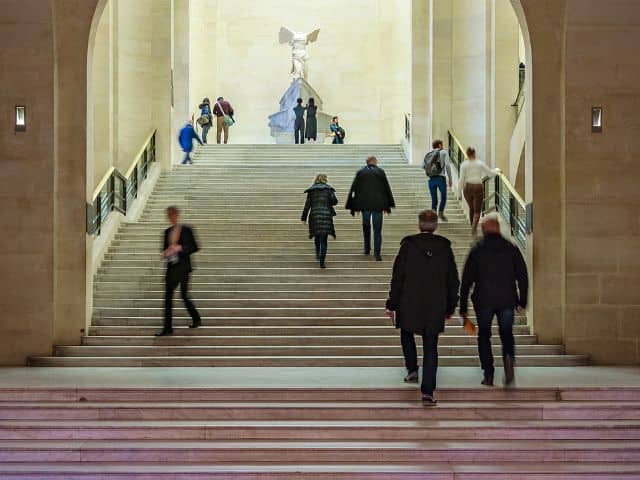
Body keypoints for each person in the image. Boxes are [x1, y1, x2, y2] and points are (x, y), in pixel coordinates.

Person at [385, 210, 459, 406]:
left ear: (419, 225)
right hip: (435, 305)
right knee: (431, 346)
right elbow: (453, 280)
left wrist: (391, 304)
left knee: (406, 333)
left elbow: (398, 277)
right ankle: (427, 392)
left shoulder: (408, 246)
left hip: (409, 302)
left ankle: (412, 370)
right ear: (435, 225)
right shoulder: (444, 247)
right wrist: (451, 306)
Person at [459, 215, 529, 387]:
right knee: (507, 334)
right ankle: (508, 360)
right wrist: (522, 301)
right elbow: (522, 276)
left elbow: (467, 280)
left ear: (483, 230)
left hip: (484, 300)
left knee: (484, 335)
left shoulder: (477, 250)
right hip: (507, 299)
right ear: (498, 228)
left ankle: (488, 373)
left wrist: (462, 307)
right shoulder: (511, 248)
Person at [156, 206, 202, 336]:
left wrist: (180, 248)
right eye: (168, 215)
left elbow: (195, 247)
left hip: (184, 268)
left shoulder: (187, 229)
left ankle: (196, 318)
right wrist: (166, 253)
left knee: (184, 295)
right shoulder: (166, 232)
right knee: (168, 298)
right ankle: (167, 328)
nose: (170, 217)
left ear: (177, 215)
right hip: (171, 268)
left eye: (172, 214)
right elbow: (164, 250)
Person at [346, 156, 395, 261]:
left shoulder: (361, 172)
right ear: (375, 162)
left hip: (365, 206)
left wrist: (354, 207)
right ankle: (377, 254)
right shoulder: (380, 172)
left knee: (366, 228)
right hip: (378, 206)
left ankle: (367, 249)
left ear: (367, 162)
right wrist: (388, 206)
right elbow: (387, 188)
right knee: (377, 230)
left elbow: (354, 189)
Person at [301, 174, 338, 268]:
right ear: (325, 180)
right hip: (326, 215)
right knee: (324, 240)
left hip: (314, 215)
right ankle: (322, 262)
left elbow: (307, 205)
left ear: (316, 180)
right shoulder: (328, 189)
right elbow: (334, 202)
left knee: (317, 235)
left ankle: (317, 253)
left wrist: (303, 218)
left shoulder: (311, 191)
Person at [458, 147, 497, 235]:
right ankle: (474, 228)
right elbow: (490, 173)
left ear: (467, 154)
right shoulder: (479, 163)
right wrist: (497, 171)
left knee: (471, 208)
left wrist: (459, 193)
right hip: (477, 187)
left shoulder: (464, 164)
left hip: (467, 187)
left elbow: (461, 179)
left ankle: (472, 226)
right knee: (477, 210)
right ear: (474, 153)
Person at [423, 140, 453, 221]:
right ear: (440, 145)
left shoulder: (428, 154)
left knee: (434, 199)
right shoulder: (443, 152)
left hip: (431, 179)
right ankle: (440, 213)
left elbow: (423, 166)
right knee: (443, 197)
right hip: (441, 178)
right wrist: (450, 179)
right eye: (442, 145)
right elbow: (447, 165)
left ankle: (433, 216)